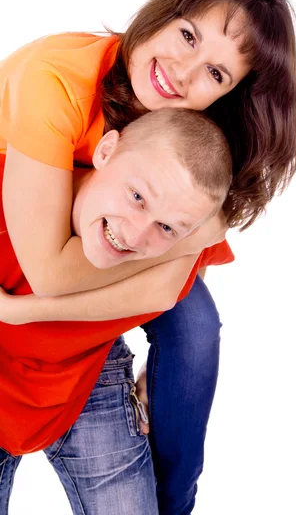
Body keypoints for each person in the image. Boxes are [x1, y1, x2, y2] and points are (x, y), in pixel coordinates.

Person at [0, 0, 296, 514]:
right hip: (21, 234)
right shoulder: (58, 78)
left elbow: (171, 287)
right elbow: (46, 268)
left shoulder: (198, 138)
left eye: (215, 73)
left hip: (92, 258)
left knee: (195, 324)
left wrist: (188, 234)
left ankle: (173, 499)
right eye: (187, 36)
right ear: (164, 14)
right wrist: (187, 236)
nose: (183, 73)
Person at [0, 107, 232, 514]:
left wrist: (152, 375)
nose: (134, 235)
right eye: (137, 197)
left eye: (167, 229)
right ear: (106, 150)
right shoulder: (15, 184)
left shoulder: (174, 248)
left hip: (86, 379)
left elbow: (192, 283)